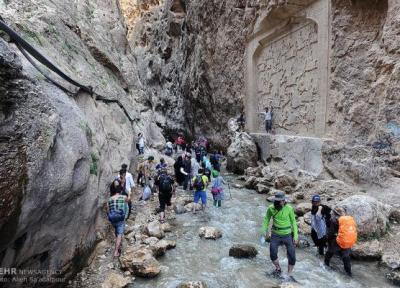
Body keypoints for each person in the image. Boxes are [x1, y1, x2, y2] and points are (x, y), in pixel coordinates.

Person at [260, 191, 298, 277]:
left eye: (279, 201)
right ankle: (278, 268)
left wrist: (295, 236)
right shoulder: (271, 208)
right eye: (276, 200)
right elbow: (266, 220)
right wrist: (263, 231)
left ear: (284, 201)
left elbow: (294, 222)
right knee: (273, 253)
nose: (277, 202)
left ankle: (289, 274)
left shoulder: (289, 208)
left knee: (292, 255)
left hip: (287, 234)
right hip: (275, 234)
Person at [324, 207, 357, 277]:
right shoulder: (349, 220)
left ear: (335, 213)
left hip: (339, 241)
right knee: (346, 257)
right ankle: (349, 273)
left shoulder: (334, 220)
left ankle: (325, 265)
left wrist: (327, 240)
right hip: (348, 241)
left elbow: (331, 233)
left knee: (330, 252)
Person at [107, 180, 129, 257]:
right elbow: (126, 206)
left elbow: (108, 210)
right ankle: (116, 252)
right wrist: (125, 216)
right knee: (119, 234)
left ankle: (118, 245)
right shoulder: (124, 197)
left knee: (117, 231)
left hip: (112, 218)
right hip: (120, 218)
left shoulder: (110, 199)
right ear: (120, 190)